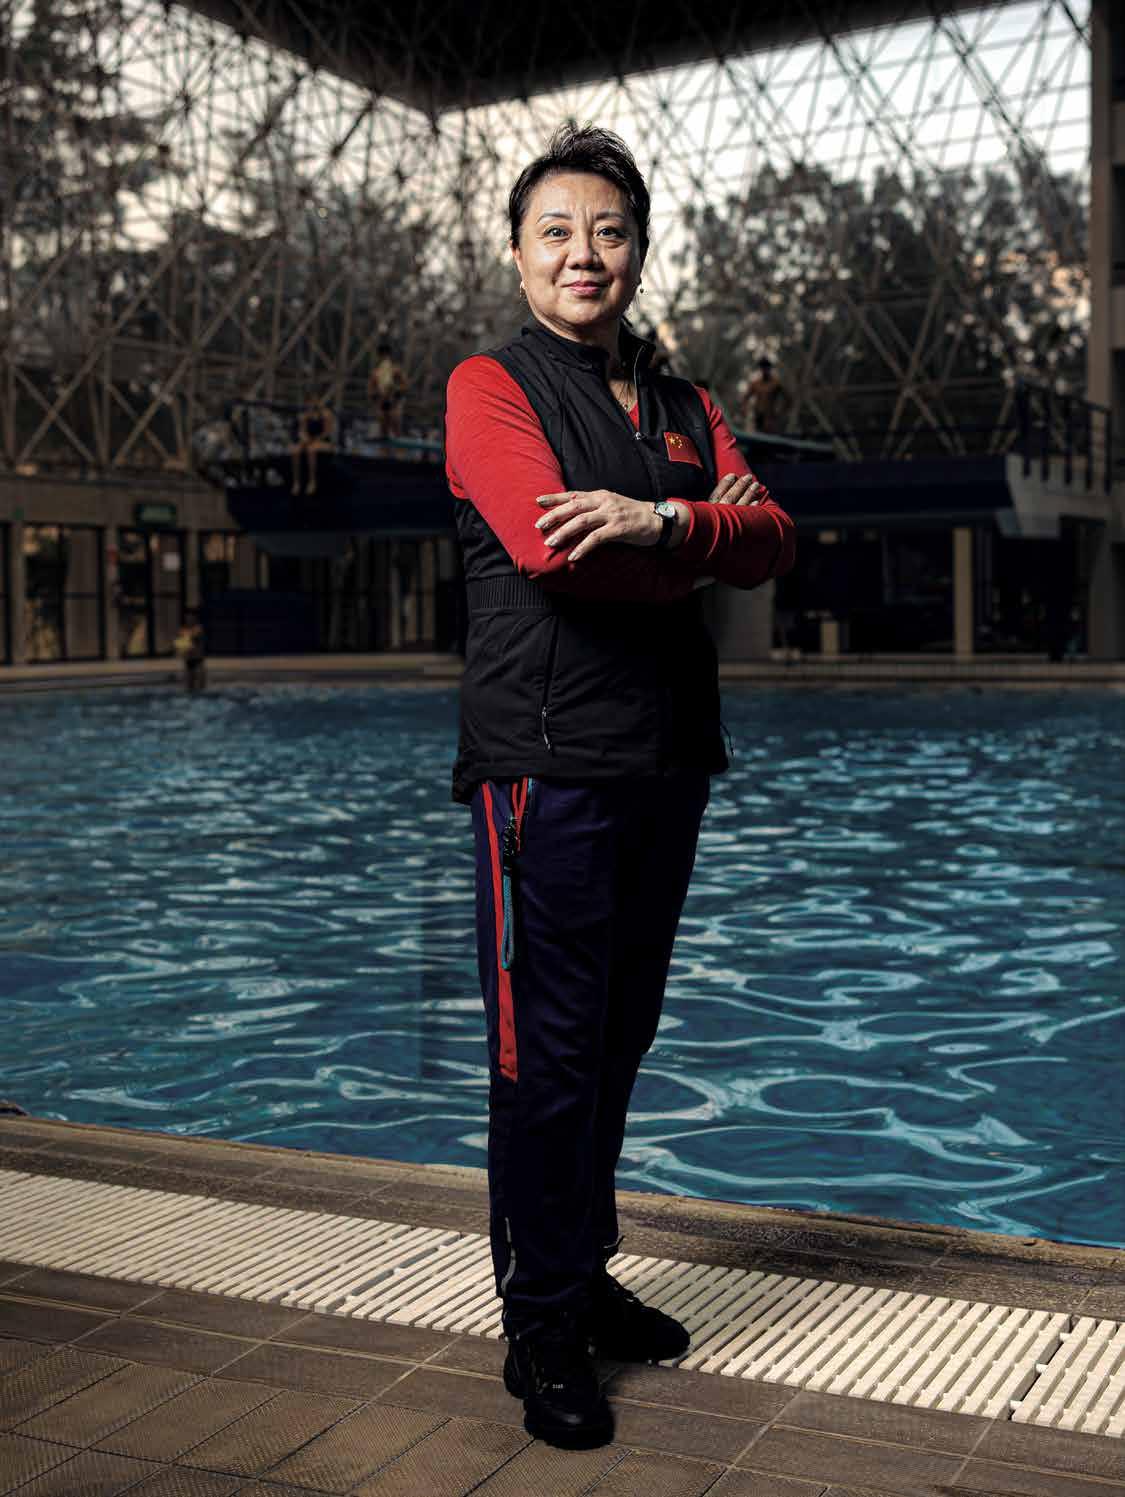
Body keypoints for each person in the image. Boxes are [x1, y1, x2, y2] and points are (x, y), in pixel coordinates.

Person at [444, 124, 796, 1449]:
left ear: (638, 250)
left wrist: (660, 520)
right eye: (557, 232)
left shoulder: (684, 400)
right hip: (545, 767)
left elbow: (772, 539)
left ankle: (582, 1274)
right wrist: (699, 532)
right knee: (544, 1056)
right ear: (518, 254)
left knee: (619, 1040)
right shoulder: (490, 385)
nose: (582, 253)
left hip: (666, 759)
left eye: (607, 230)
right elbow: (553, 551)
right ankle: (538, 1323)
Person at [290, 395, 336, 495]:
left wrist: (314, 439)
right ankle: (296, 481)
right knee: (295, 450)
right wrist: (305, 439)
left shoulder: (326, 414)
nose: (312, 404)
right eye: (310, 402)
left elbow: (327, 432)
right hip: (310, 440)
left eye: (315, 401)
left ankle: (312, 481)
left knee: (311, 450)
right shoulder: (304, 415)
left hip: (324, 441)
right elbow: (302, 431)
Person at [367, 343, 407, 438]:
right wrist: (375, 395)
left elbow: (404, 385)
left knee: (394, 420)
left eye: (385, 355)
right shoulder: (376, 372)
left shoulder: (395, 370)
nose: (384, 357)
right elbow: (370, 389)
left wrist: (395, 390)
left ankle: (397, 441)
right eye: (383, 355)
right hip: (382, 401)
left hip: (393, 400)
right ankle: (385, 439)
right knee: (383, 422)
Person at [745, 355, 787, 434]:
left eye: (766, 367)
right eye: (763, 367)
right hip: (758, 416)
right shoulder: (756, 383)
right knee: (757, 434)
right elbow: (746, 398)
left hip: (771, 417)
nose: (764, 369)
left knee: (769, 435)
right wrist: (746, 410)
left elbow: (787, 398)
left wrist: (780, 411)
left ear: (769, 368)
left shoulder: (776, 383)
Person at [173, 612, 206, 691]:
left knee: (199, 674)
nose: (189, 620)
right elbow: (179, 642)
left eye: (190, 618)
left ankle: (200, 687)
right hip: (189, 656)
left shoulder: (198, 629)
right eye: (188, 619)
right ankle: (190, 687)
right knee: (189, 675)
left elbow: (195, 637)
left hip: (197, 656)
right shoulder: (183, 630)